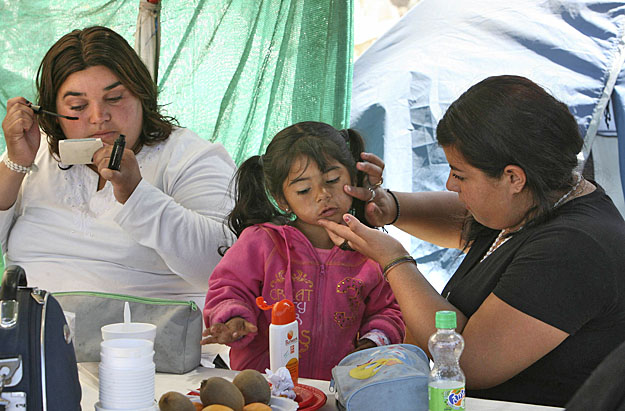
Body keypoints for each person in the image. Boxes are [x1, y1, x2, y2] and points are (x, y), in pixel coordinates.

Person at [318, 75, 625, 407]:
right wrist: (389, 207)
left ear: (512, 177)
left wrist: (395, 261)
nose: (451, 184)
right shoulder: (537, 199)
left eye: (460, 174)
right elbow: (467, 220)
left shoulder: (575, 248)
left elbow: (469, 361)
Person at [0, 26, 236, 308]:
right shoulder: (35, 152)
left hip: (148, 344)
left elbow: (223, 268)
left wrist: (136, 194)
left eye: (114, 98)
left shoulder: (189, 157)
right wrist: (15, 165)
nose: (99, 117)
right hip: (34, 341)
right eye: (77, 106)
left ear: (142, 96)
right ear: (53, 112)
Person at [201, 121, 405, 380]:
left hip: (337, 391)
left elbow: (389, 310)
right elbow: (229, 288)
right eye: (304, 190)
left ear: (353, 178)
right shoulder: (262, 242)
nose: (322, 194)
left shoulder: (370, 250)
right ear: (283, 199)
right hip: (264, 391)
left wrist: (372, 343)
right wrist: (232, 319)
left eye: (332, 180)